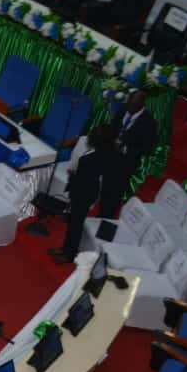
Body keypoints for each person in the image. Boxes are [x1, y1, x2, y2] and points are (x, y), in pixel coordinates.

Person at [49, 124, 117, 264]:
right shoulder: (102, 153)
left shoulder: (92, 159)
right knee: (73, 222)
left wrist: (73, 176)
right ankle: (65, 248)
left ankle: (69, 254)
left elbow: (83, 179)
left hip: (83, 194)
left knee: (75, 224)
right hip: (84, 192)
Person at [99, 90, 157, 218]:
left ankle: (107, 219)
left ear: (142, 105)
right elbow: (113, 128)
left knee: (115, 194)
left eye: (133, 106)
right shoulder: (123, 110)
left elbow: (148, 148)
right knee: (105, 189)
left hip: (126, 165)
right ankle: (101, 214)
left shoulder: (149, 123)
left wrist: (126, 149)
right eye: (129, 104)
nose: (129, 108)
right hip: (111, 157)